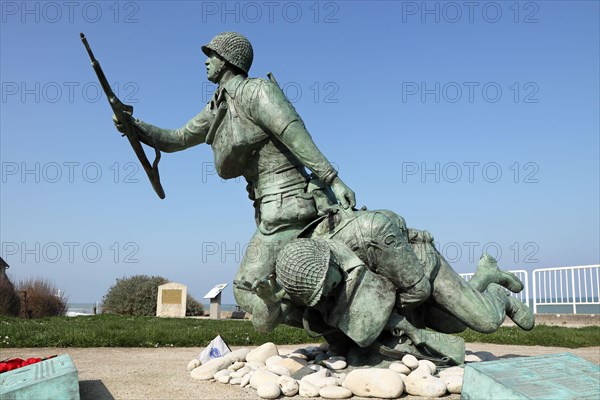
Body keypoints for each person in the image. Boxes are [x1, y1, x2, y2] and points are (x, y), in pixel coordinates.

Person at [113, 32, 355, 316]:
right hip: (267, 207)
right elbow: (176, 138)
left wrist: (333, 180)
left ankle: (316, 316)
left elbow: (295, 135)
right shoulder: (216, 107)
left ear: (227, 60)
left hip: (288, 204)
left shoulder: (257, 92)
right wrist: (134, 125)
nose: (205, 62)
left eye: (211, 55)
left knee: (245, 288)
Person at [249, 208, 534, 363]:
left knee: (485, 321)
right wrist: (272, 302)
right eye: (322, 296)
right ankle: (485, 274)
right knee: (455, 326)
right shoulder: (300, 274)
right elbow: (262, 326)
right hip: (384, 294)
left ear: (333, 262)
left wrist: (387, 320)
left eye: (330, 288)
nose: (329, 296)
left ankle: (499, 295)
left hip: (419, 268)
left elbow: (418, 290)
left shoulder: (371, 230)